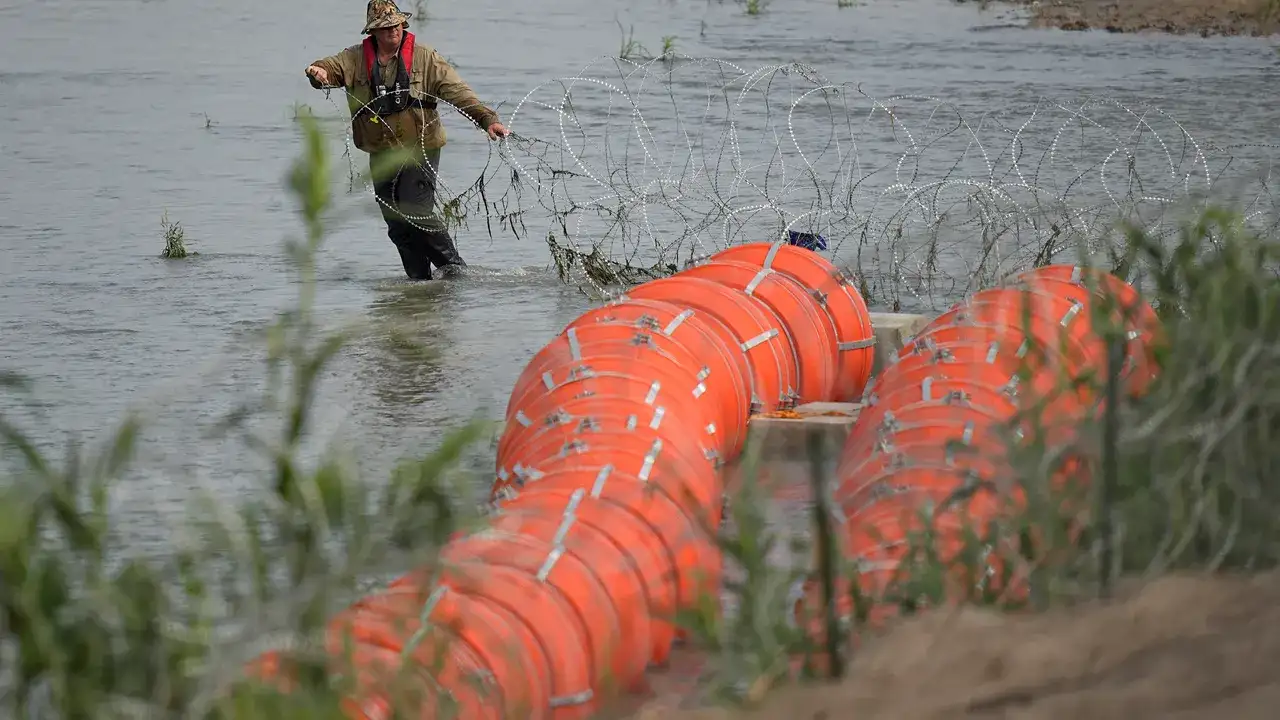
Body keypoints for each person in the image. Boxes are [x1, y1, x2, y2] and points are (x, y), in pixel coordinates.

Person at [304, 0, 509, 280]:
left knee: (415, 210)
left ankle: (456, 272)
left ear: (404, 24)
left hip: (420, 146)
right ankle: (419, 285)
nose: (392, 30)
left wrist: (487, 119)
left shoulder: (425, 57)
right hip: (380, 151)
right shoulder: (353, 58)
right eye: (385, 26)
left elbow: (458, 92)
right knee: (396, 224)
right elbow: (328, 69)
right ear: (373, 32)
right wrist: (318, 73)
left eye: (396, 24)